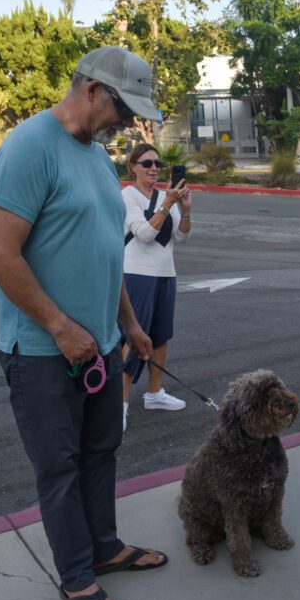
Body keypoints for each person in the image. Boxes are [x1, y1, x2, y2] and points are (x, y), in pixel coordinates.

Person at [0, 46, 170, 600]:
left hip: (100, 346)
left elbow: (102, 254)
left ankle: (105, 548)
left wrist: (130, 326)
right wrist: (61, 327)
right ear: (92, 90)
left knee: (101, 450)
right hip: (41, 350)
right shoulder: (28, 149)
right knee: (60, 464)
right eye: (122, 107)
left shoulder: (93, 156)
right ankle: (77, 575)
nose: (126, 123)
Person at [120, 142, 192, 430]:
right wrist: (167, 205)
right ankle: (119, 403)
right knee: (133, 338)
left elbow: (182, 237)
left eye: (157, 165)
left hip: (165, 273)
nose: (154, 169)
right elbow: (144, 234)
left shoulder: (167, 196)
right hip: (136, 273)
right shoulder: (127, 197)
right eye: (147, 164)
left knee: (161, 335)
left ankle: (155, 392)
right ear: (133, 167)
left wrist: (184, 209)